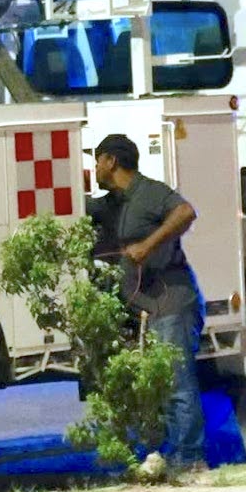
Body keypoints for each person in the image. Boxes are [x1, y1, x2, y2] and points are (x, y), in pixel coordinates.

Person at [92, 133, 206, 471]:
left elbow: (185, 212)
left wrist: (148, 245)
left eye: (96, 159)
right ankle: (168, 456)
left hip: (171, 302)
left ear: (111, 161)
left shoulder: (150, 192)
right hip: (145, 308)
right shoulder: (113, 203)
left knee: (177, 384)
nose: (94, 167)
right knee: (155, 388)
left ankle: (191, 460)